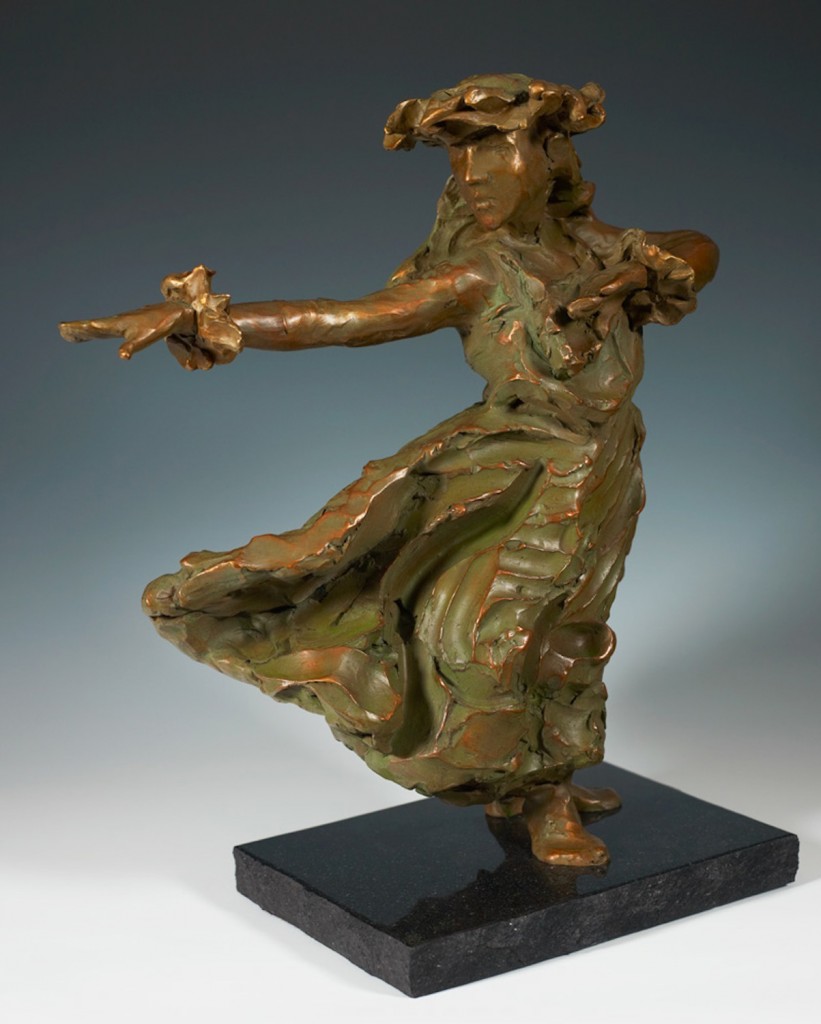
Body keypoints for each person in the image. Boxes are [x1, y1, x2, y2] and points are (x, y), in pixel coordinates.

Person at [60, 74, 718, 866]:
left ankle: (547, 787)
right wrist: (206, 319)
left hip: (604, 467)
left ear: (549, 156)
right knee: (489, 641)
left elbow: (695, 246)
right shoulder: (480, 272)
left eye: (493, 154)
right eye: (459, 163)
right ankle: (496, 772)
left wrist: (643, 274)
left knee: (568, 635)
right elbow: (341, 319)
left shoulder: (593, 249)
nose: (471, 178)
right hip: (514, 472)